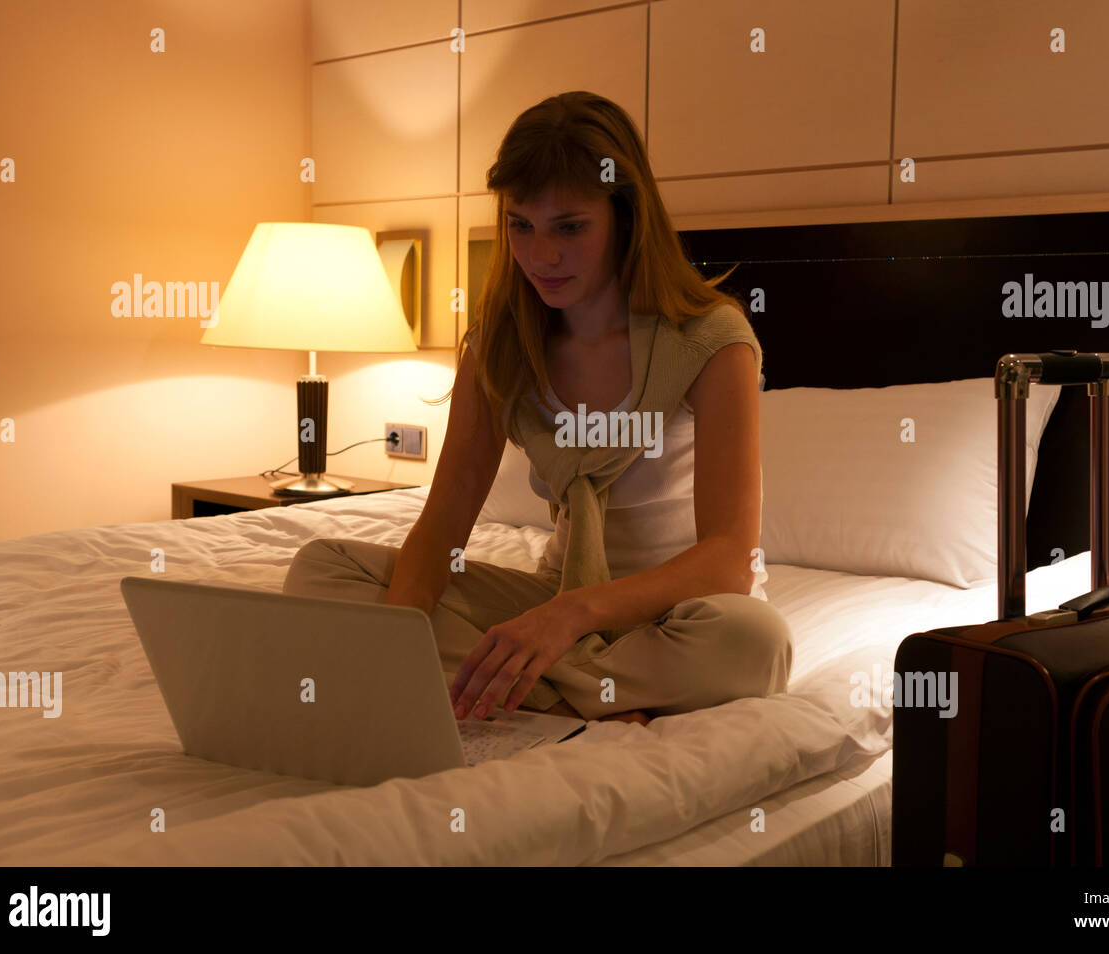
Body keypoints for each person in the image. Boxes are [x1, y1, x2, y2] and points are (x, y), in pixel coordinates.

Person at [282, 91, 793, 726]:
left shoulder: (711, 342)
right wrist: (395, 644)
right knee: (324, 570)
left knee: (755, 643)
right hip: (550, 601)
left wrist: (568, 617)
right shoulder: (500, 342)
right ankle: (591, 695)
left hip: (677, 614)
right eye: (521, 225)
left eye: (569, 227)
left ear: (625, 215)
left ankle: (521, 684)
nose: (540, 257)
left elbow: (729, 559)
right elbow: (442, 530)